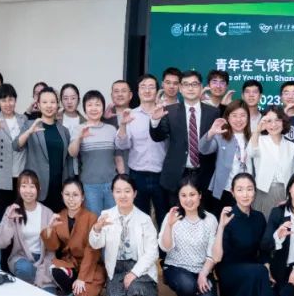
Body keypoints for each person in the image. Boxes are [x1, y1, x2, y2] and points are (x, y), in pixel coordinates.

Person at [88, 174, 162, 296]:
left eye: (127, 191)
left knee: (138, 292)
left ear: (134, 193)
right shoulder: (106, 216)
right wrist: (97, 228)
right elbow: (96, 244)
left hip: (139, 267)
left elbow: (152, 252)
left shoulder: (144, 219)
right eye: (118, 191)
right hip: (116, 270)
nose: (123, 195)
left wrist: (134, 273)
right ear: (112, 193)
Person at [212, 173, 281, 296]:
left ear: (255, 192)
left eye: (249, 189)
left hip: (253, 266)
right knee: (259, 272)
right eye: (240, 190)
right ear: (232, 192)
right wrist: (221, 227)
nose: (245, 194)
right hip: (229, 268)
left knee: (270, 270)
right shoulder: (226, 217)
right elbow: (217, 257)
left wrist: (267, 269)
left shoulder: (259, 217)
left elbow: (263, 250)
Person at [150, 70, 221, 216]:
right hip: (176, 174)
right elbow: (158, 137)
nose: (190, 88)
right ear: (181, 89)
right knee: (176, 218)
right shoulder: (169, 111)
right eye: (186, 84)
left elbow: (216, 143)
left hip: (204, 174)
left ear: (201, 87)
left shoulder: (213, 112)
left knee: (204, 217)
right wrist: (155, 121)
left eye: (194, 84)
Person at [159, 177, 219, 296]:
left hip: (201, 270)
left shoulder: (210, 219)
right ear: (178, 197)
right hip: (176, 267)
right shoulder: (171, 216)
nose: (188, 200)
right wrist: (169, 225)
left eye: (192, 194)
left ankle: (191, 294)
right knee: (188, 285)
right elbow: (165, 247)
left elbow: (212, 253)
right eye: (183, 195)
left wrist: (203, 274)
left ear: (200, 195)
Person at [42, 180, 105, 296]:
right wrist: (49, 228)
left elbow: (92, 250)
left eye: (75, 195)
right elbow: (53, 246)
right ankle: (71, 291)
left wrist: (82, 278)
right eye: (67, 194)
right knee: (55, 270)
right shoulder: (60, 216)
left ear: (82, 197)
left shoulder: (91, 217)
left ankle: (75, 291)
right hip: (70, 263)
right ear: (62, 195)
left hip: (90, 266)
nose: (71, 199)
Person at [114, 74, 168, 216]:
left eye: (151, 87)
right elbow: (122, 145)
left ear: (157, 91)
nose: (147, 90)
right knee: (139, 217)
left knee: (164, 216)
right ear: (137, 91)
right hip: (137, 175)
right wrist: (123, 125)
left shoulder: (165, 113)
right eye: (143, 87)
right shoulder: (131, 115)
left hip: (161, 175)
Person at [14, 87, 73, 213]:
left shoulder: (64, 131)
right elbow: (16, 146)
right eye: (45, 102)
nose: (49, 105)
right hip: (37, 186)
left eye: (52, 102)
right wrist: (29, 132)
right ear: (39, 105)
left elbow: (68, 160)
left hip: (59, 187)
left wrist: (69, 185)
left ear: (57, 105)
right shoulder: (30, 124)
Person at [0, 170, 54, 288]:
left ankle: (36, 283)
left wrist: (42, 267)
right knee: (24, 269)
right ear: (18, 189)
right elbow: (0, 243)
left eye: (32, 186)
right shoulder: (12, 210)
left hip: (43, 260)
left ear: (39, 188)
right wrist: (9, 222)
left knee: (48, 290)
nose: (28, 191)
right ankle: (37, 284)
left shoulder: (47, 213)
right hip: (22, 258)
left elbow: (52, 249)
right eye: (24, 186)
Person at [68, 91, 118, 214]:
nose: (94, 108)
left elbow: (117, 156)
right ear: (84, 109)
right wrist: (80, 138)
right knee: (93, 220)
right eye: (90, 105)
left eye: (97, 104)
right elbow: (72, 153)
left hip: (111, 183)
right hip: (90, 185)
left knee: (113, 219)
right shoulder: (79, 129)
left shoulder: (111, 129)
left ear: (103, 107)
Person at [200, 100, 254, 210]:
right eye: (234, 115)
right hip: (225, 191)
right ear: (228, 118)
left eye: (242, 115)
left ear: (248, 118)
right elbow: (203, 149)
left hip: (248, 192)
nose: (238, 119)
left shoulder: (254, 138)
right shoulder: (221, 137)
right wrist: (211, 132)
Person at [0, 84, 27, 221]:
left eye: (11, 99)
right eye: (3, 100)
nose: (8, 104)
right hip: (1, 178)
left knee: (20, 216)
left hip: (20, 175)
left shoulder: (23, 120)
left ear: (15, 100)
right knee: (2, 217)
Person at [249, 106, 294, 219]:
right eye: (269, 121)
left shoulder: (292, 147)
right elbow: (251, 152)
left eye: (277, 120)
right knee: (262, 223)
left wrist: (291, 197)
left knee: (283, 224)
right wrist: (257, 130)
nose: (273, 124)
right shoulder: (259, 140)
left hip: (285, 194)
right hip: (262, 191)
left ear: (283, 122)